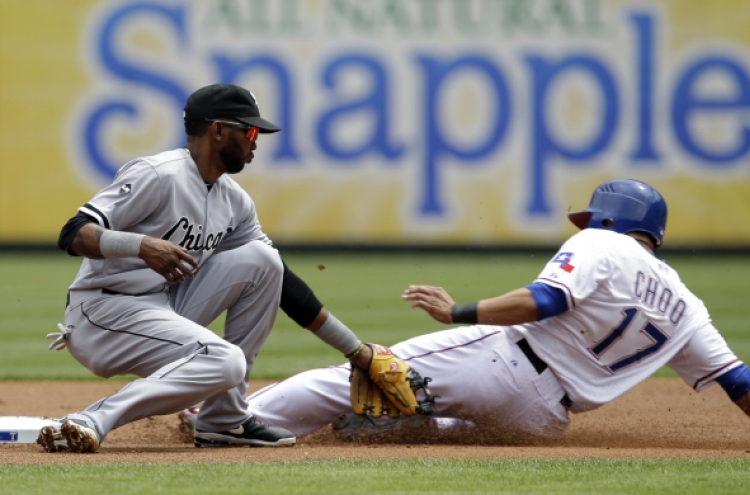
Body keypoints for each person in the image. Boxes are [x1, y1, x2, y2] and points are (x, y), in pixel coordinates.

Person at [229, 179, 750, 439]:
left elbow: (544, 301)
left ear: (610, 220)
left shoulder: (601, 243)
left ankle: (235, 420)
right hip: (543, 420)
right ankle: (401, 421)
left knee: (362, 371)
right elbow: (739, 383)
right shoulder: (688, 306)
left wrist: (459, 312)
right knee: (428, 422)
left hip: (504, 365)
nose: (584, 224)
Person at [37, 83, 376, 453]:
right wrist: (142, 246)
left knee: (264, 262)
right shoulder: (158, 173)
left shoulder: (235, 201)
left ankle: (223, 421)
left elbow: (283, 283)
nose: (255, 142)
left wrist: (357, 351)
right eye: (248, 131)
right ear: (217, 131)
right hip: (103, 314)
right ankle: (90, 420)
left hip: (160, 308)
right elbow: (72, 233)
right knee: (226, 361)